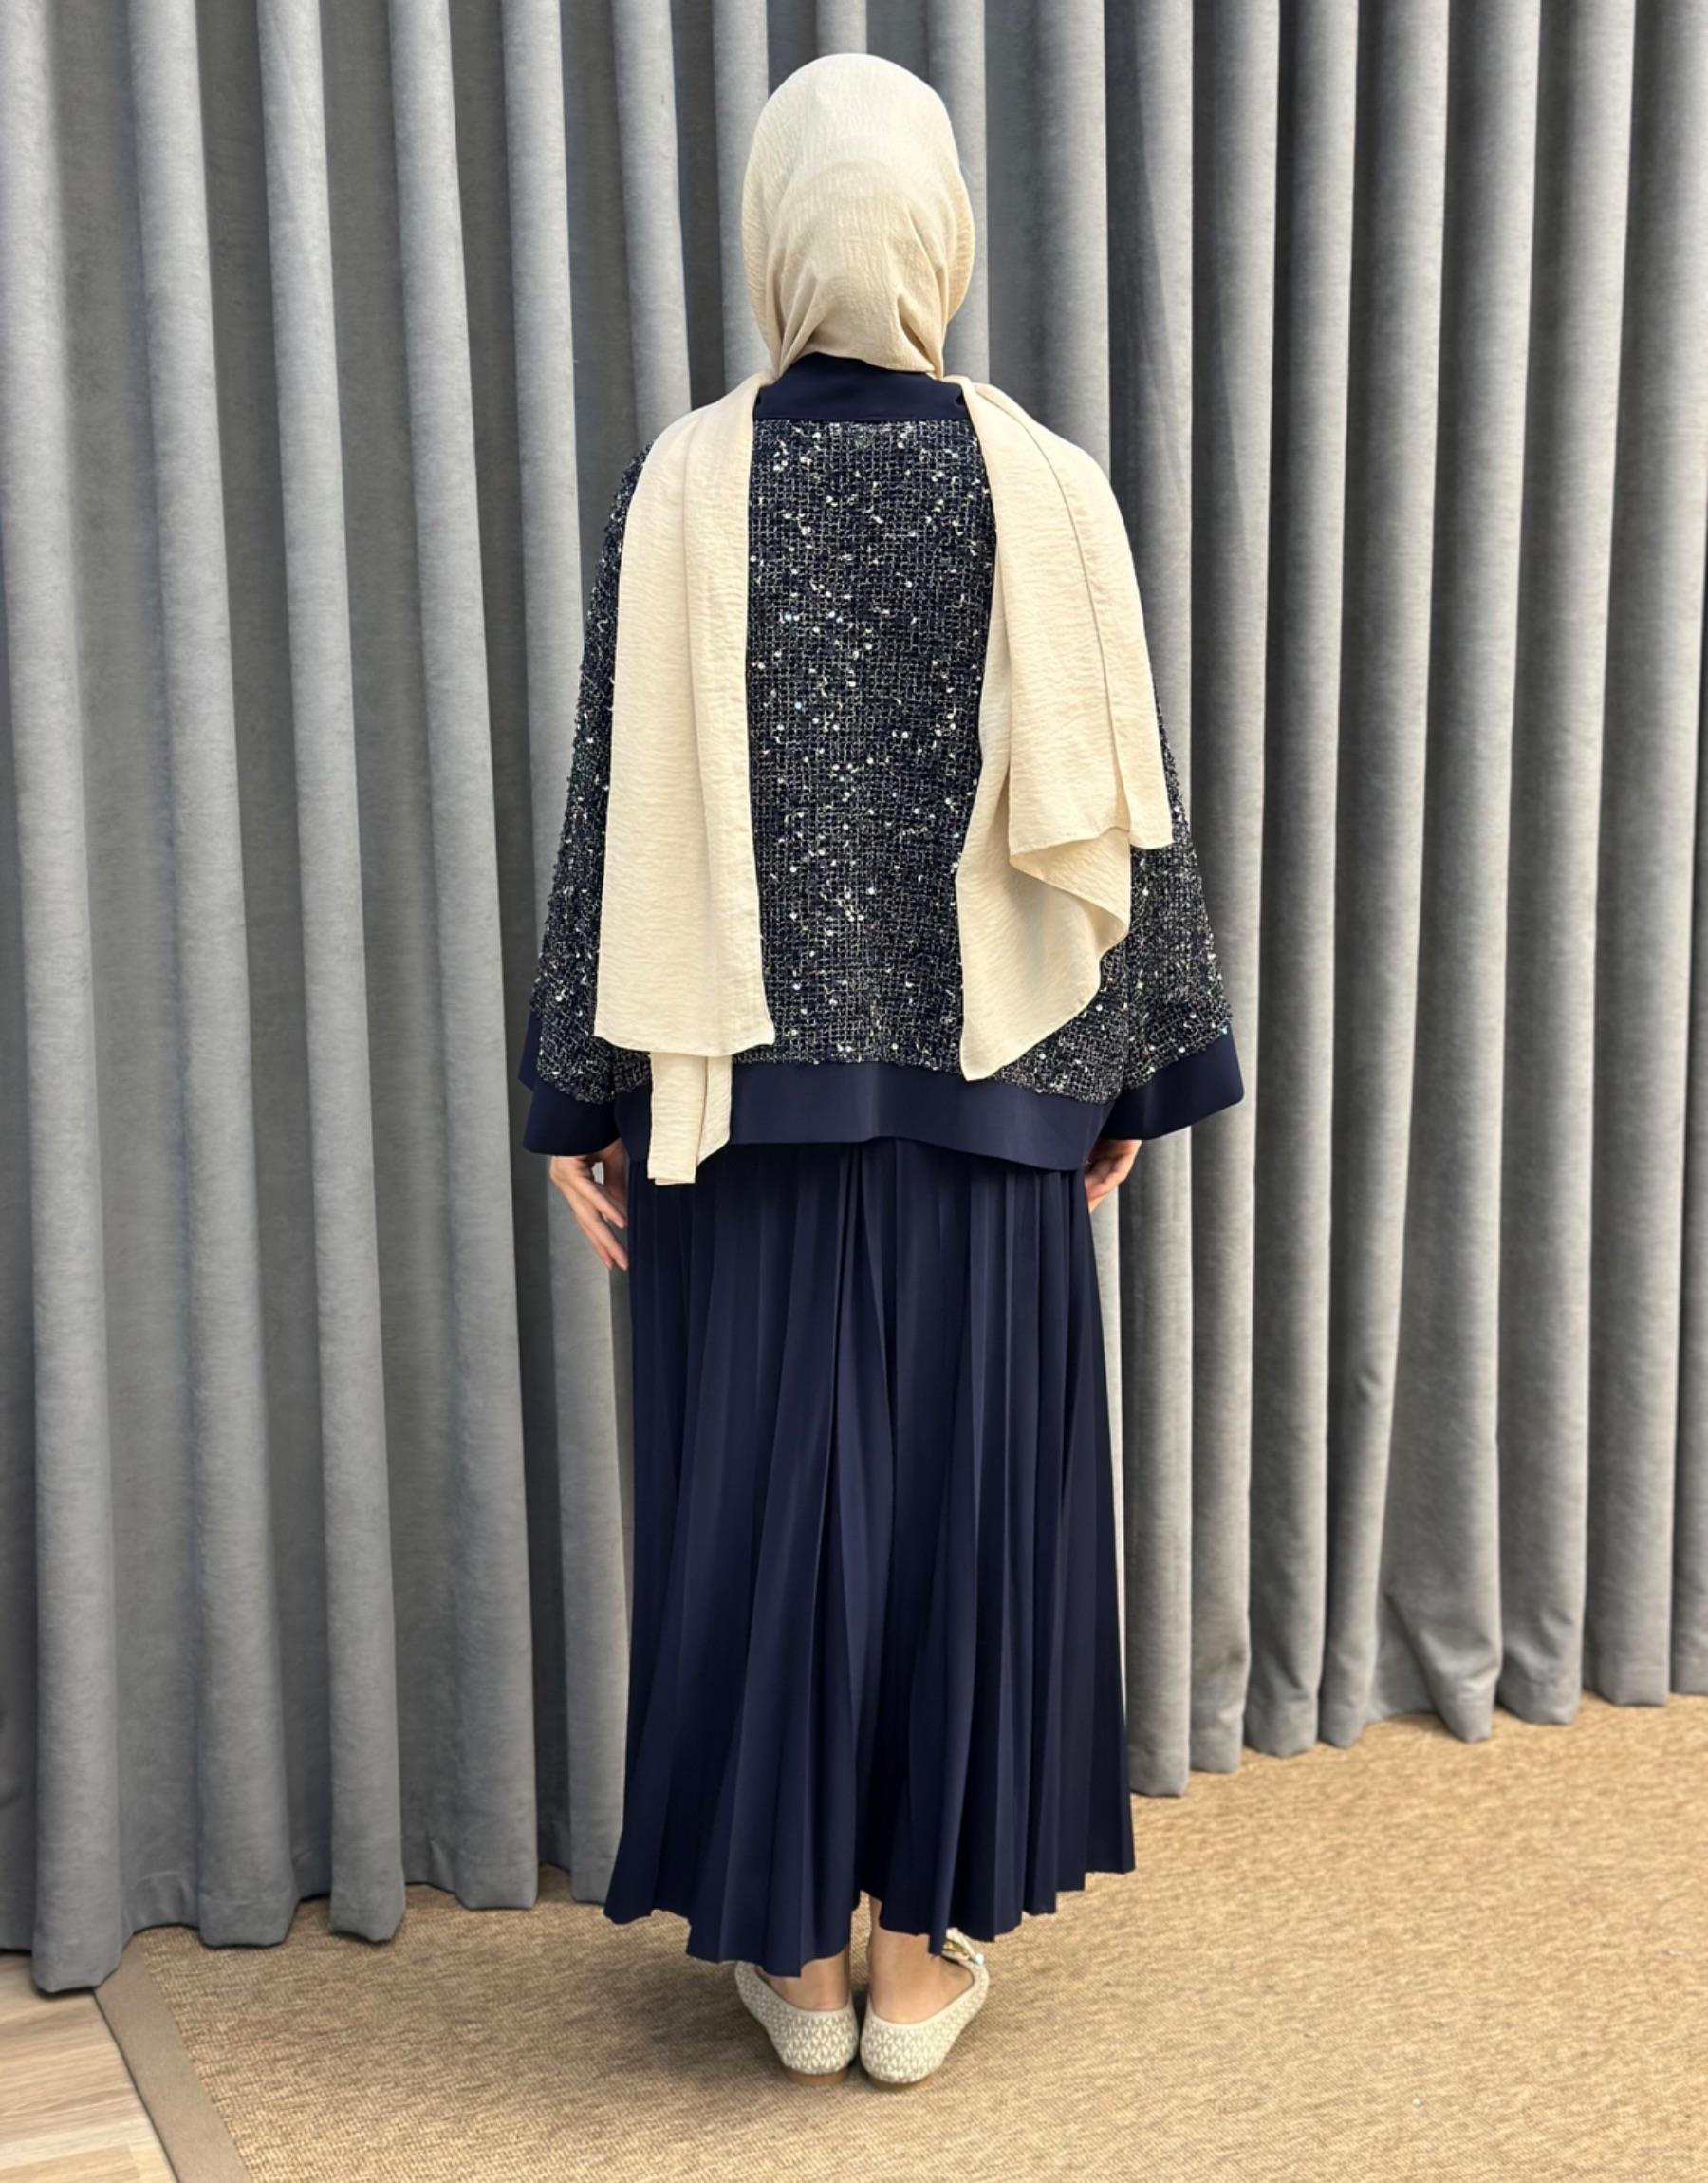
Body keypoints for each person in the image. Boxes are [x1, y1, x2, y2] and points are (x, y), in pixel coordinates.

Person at [518, 51, 1241, 2090]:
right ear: (942, 233)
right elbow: (1127, 800)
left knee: (760, 1515)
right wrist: (1120, 1079)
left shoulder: (683, 480)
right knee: (965, 1520)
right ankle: (920, 1958)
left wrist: (576, 1095)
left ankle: (797, 1957)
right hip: (997, 1097)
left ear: (772, 231)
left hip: (732, 1113)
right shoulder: (1053, 484)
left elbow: (613, 804)